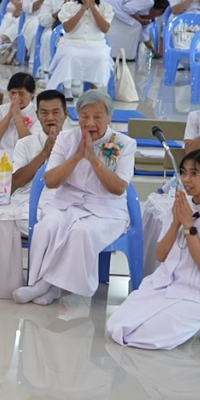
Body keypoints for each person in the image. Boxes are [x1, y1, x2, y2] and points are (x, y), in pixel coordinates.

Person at [106, 149, 200, 349]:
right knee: (117, 325)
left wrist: (187, 225)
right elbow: (160, 255)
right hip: (167, 284)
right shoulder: (178, 205)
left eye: (194, 173)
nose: (186, 179)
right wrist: (176, 221)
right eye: (184, 172)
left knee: (143, 337)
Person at [13, 90, 135, 304]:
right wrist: (78, 155)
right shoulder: (66, 138)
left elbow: (118, 188)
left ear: (109, 117)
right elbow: (50, 180)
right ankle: (47, 286)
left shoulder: (124, 143)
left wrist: (93, 159)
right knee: (47, 227)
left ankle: (45, 285)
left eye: (97, 116)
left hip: (106, 210)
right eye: (84, 116)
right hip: (65, 204)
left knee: (80, 232)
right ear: (77, 116)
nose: (90, 122)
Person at [48, 0, 113, 94]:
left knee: (100, 58)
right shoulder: (68, 7)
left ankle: (94, 90)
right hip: (71, 43)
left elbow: (105, 28)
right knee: (70, 55)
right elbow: (67, 28)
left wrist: (92, 8)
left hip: (96, 45)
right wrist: (83, 9)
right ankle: (67, 88)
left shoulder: (105, 8)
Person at [10, 89, 69, 192]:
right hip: (26, 201)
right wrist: (44, 152)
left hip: (64, 201)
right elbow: (17, 181)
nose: (50, 118)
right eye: (44, 113)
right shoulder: (24, 143)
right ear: (37, 115)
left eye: (55, 113)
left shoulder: (75, 143)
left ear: (65, 114)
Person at [0, 72, 38, 153]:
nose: (16, 98)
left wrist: (17, 115)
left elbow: (29, 144)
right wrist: (10, 114)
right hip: (1, 157)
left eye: (21, 93)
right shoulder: (0, 110)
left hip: (25, 159)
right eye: (13, 93)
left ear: (32, 93)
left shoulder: (38, 113)